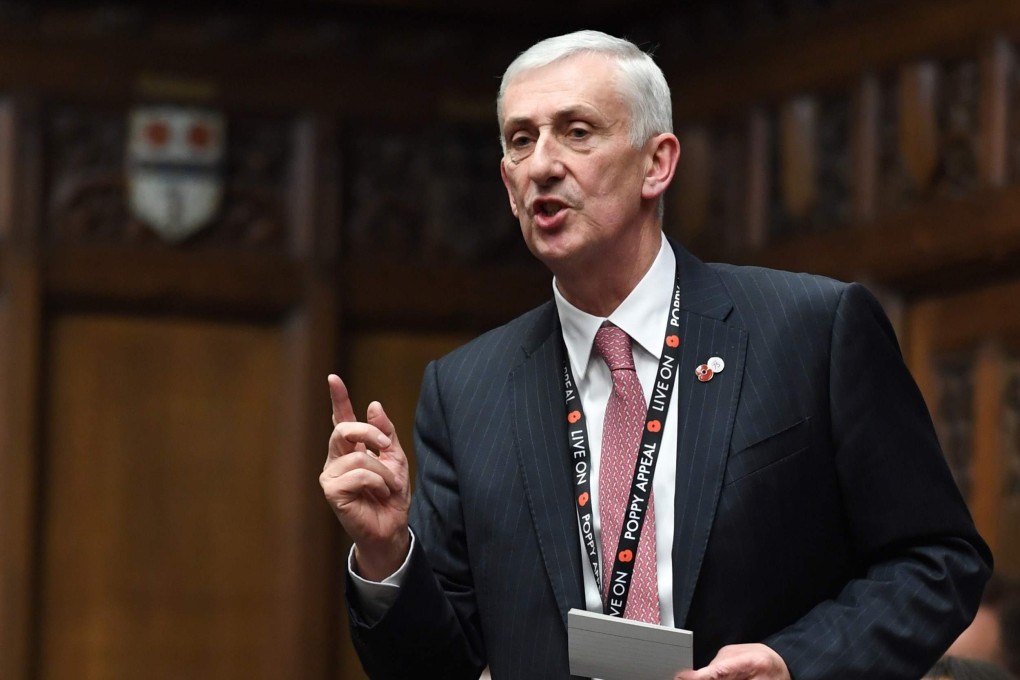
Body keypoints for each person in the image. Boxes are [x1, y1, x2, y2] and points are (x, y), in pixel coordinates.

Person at [320, 30, 992, 679]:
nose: (543, 164)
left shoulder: (811, 330)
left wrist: (797, 664)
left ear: (657, 164)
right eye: (521, 141)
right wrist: (386, 554)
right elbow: (440, 666)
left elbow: (938, 562)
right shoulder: (468, 390)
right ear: (507, 182)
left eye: (577, 131)